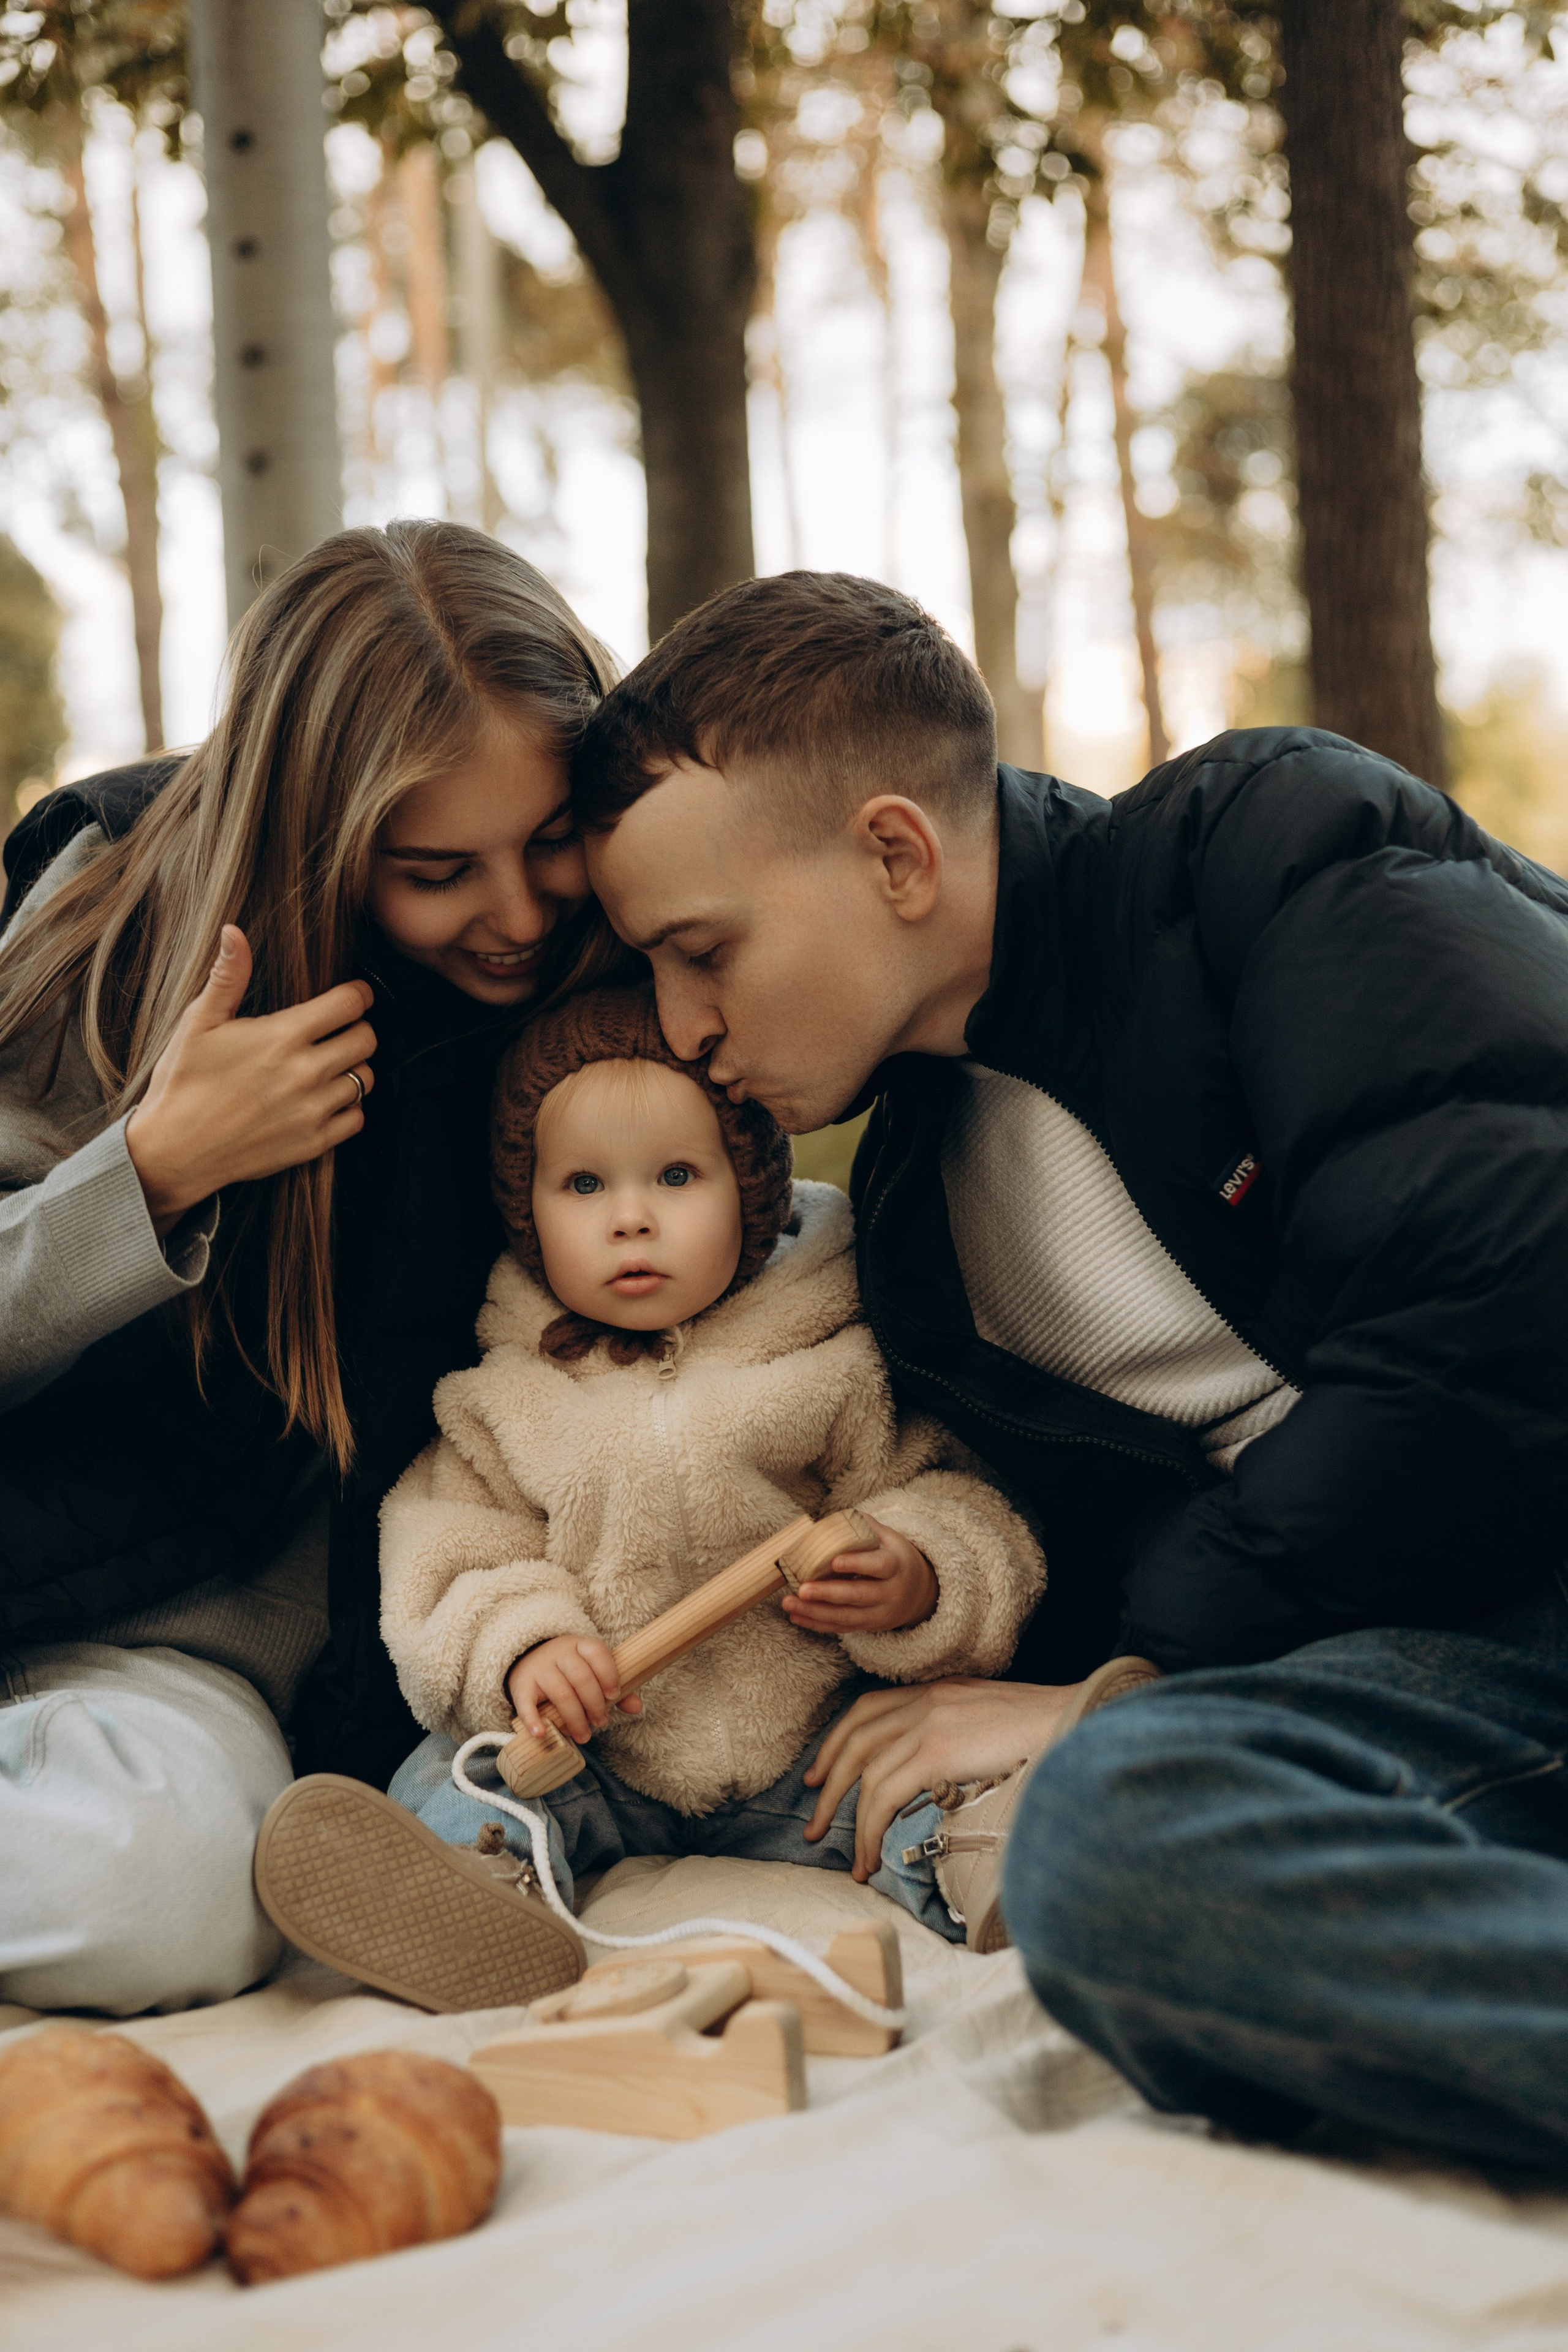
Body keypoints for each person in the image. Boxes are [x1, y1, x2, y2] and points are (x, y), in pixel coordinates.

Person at [553, 568, 1568, 2170]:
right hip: (1433, 1684)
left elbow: (1499, 1306)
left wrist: (1138, 1673)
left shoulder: (1265, 853)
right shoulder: (913, 1231)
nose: (679, 1028)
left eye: (703, 952)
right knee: (1117, 1845)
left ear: (895, 852)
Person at [0, 519, 630, 2018]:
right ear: (315, 834)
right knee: (168, 1890)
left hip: (306, 1673)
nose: (519, 912)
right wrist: (150, 1175)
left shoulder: (608, 955)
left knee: (195, 1880)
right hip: (82, 1611)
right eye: (435, 870)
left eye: (549, 838)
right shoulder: (112, 937)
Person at [249, 984, 1045, 2009]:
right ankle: (475, 1896)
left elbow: (960, 1499)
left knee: (929, 1776)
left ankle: (1004, 1874)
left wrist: (916, 1574)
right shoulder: (505, 1393)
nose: (631, 1218)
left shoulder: (831, 1352)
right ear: (527, 1212)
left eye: (676, 1176)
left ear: (753, 1188)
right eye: (583, 1185)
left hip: (806, 1744)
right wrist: (528, 1647)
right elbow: (446, 1551)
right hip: (596, 1756)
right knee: (459, 1776)